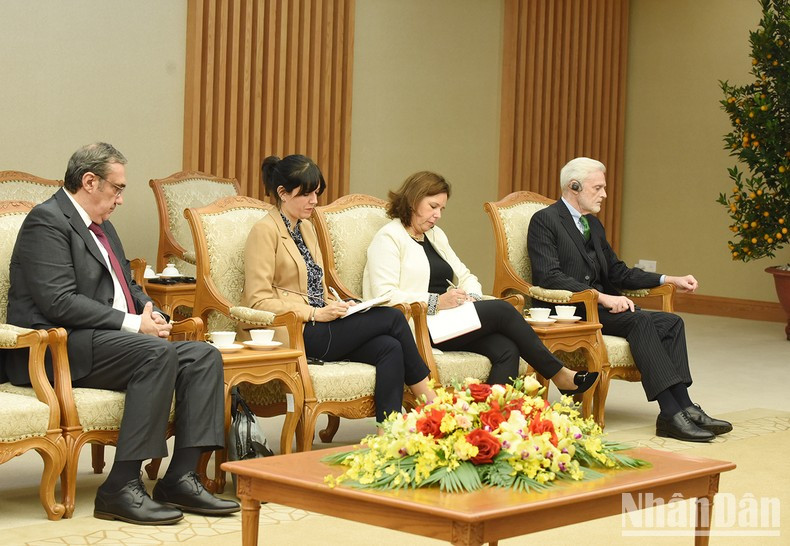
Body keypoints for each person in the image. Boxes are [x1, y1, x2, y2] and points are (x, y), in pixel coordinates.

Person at [6, 143, 239, 525]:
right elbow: (58, 302)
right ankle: (121, 486)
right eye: (117, 188)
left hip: (108, 341)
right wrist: (134, 325)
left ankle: (181, 478)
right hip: (57, 345)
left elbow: (127, 286)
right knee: (156, 353)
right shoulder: (46, 221)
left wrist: (152, 313)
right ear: (89, 181)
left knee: (202, 356)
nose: (120, 199)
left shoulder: (103, 227)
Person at [527, 156, 733, 442]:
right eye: (598, 188)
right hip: (568, 310)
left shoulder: (593, 225)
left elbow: (618, 272)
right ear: (574, 186)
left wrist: (668, 279)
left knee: (672, 323)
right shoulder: (545, 221)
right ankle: (670, 413)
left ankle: (685, 407)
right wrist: (602, 297)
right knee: (639, 321)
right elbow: (549, 276)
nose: (604, 194)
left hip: (597, 307)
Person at [362, 171, 598, 394]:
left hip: (449, 320)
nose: (438, 215)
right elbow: (385, 296)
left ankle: (488, 416)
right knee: (502, 309)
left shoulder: (435, 235)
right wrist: (437, 301)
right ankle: (559, 374)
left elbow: (466, 276)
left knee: (507, 349)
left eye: (442, 209)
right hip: (418, 325)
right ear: (413, 201)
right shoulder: (389, 238)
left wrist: (472, 297)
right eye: (433, 207)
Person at [241, 154, 435, 424]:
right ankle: (431, 404)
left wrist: (341, 305)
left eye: (316, 193)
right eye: (306, 194)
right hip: (295, 331)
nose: (314, 201)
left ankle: (388, 434)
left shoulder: (306, 228)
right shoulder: (264, 231)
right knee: (393, 317)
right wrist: (314, 313)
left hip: (323, 325)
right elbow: (257, 301)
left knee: (390, 347)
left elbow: (316, 289)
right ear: (282, 193)